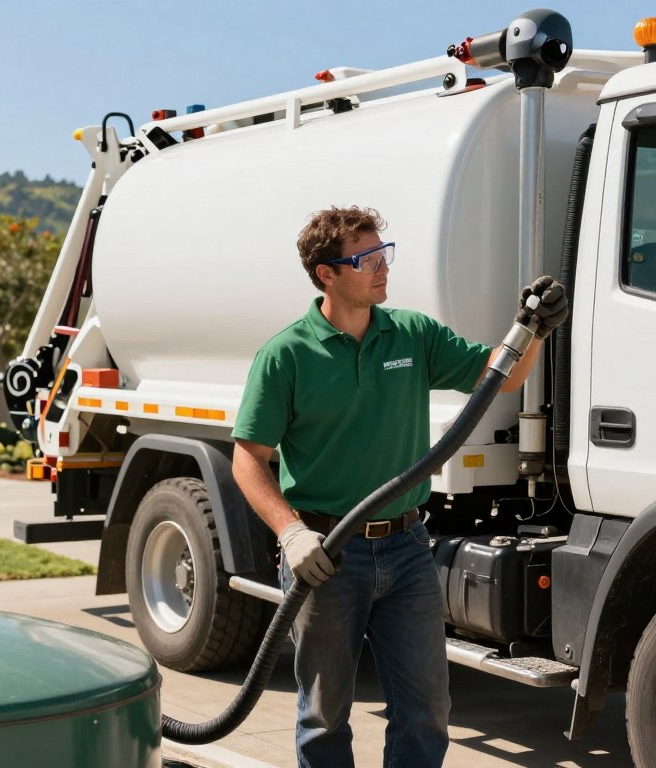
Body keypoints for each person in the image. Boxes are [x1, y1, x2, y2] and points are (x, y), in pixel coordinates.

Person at [230, 206, 568, 768]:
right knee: (324, 713)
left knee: (426, 709)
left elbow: (500, 377)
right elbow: (248, 460)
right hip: (325, 554)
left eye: (384, 253)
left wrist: (531, 329)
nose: (382, 267)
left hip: (409, 549)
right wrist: (290, 533)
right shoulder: (286, 354)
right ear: (327, 274)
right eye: (365, 258)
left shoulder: (411, 333)